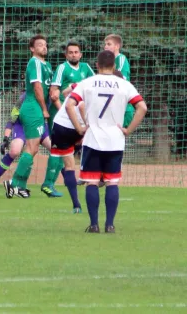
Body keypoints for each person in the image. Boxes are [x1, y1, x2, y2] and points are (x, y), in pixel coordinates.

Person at [66, 50, 147, 233]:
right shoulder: (124, 85)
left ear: (97, 65)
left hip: (93, 138)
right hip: (115, 140)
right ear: (114, 66)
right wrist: (128, 129)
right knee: (112, 182)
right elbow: (142, 107)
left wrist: (80, 128)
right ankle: (110, 225)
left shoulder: (87, 82)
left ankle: (94, 225)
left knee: (91, 182)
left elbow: (70, 103)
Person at [41, 41, 95, 196]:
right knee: (59, 150)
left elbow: (94, 84)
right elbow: (54, 92)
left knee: (73, 148)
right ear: (66, 55)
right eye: (70, 52)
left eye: (76, 52)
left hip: (78, 116)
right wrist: (63, 112)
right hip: (63, 117)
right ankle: (48, 184)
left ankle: (67, 176)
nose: (73, 55)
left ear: (80, 54)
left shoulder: (86, 68)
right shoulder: (62, 68)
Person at [3, 35, 53, 198]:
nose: (44, 47)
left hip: (35, 108)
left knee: (34, 148)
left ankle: (21, 186)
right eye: (39, 45)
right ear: (32, 49)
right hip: (32, 107)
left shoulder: (47, 65)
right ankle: (13, 184)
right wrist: (44, 109)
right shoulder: (35, 62)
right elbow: (37, 87)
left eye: (45, 45)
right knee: (31, 148)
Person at [0, 92, 51, 186]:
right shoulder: (23, 98)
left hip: (40, 125)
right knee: (14, 151)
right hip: (22, 126)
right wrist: (5, 139)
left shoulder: (48, 96)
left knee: (55, 149)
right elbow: (12, 119)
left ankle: (52, 183)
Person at [104, 34, 134, 128]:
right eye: (105, 44)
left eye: (109, 44)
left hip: (124, 105)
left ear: (117, 46)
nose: (105, 47)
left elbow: (120, 78)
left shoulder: (121, 58)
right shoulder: (108, 61)